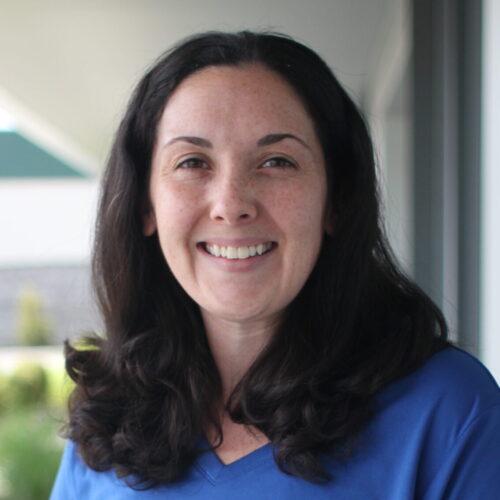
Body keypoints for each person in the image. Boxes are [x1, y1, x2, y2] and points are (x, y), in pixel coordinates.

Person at [50, 31, 500, 499]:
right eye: (192, 162)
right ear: (146, 205)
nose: (230, 204)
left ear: (337, 199)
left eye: (278, 161)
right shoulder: (107, 418)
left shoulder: (451, 412)